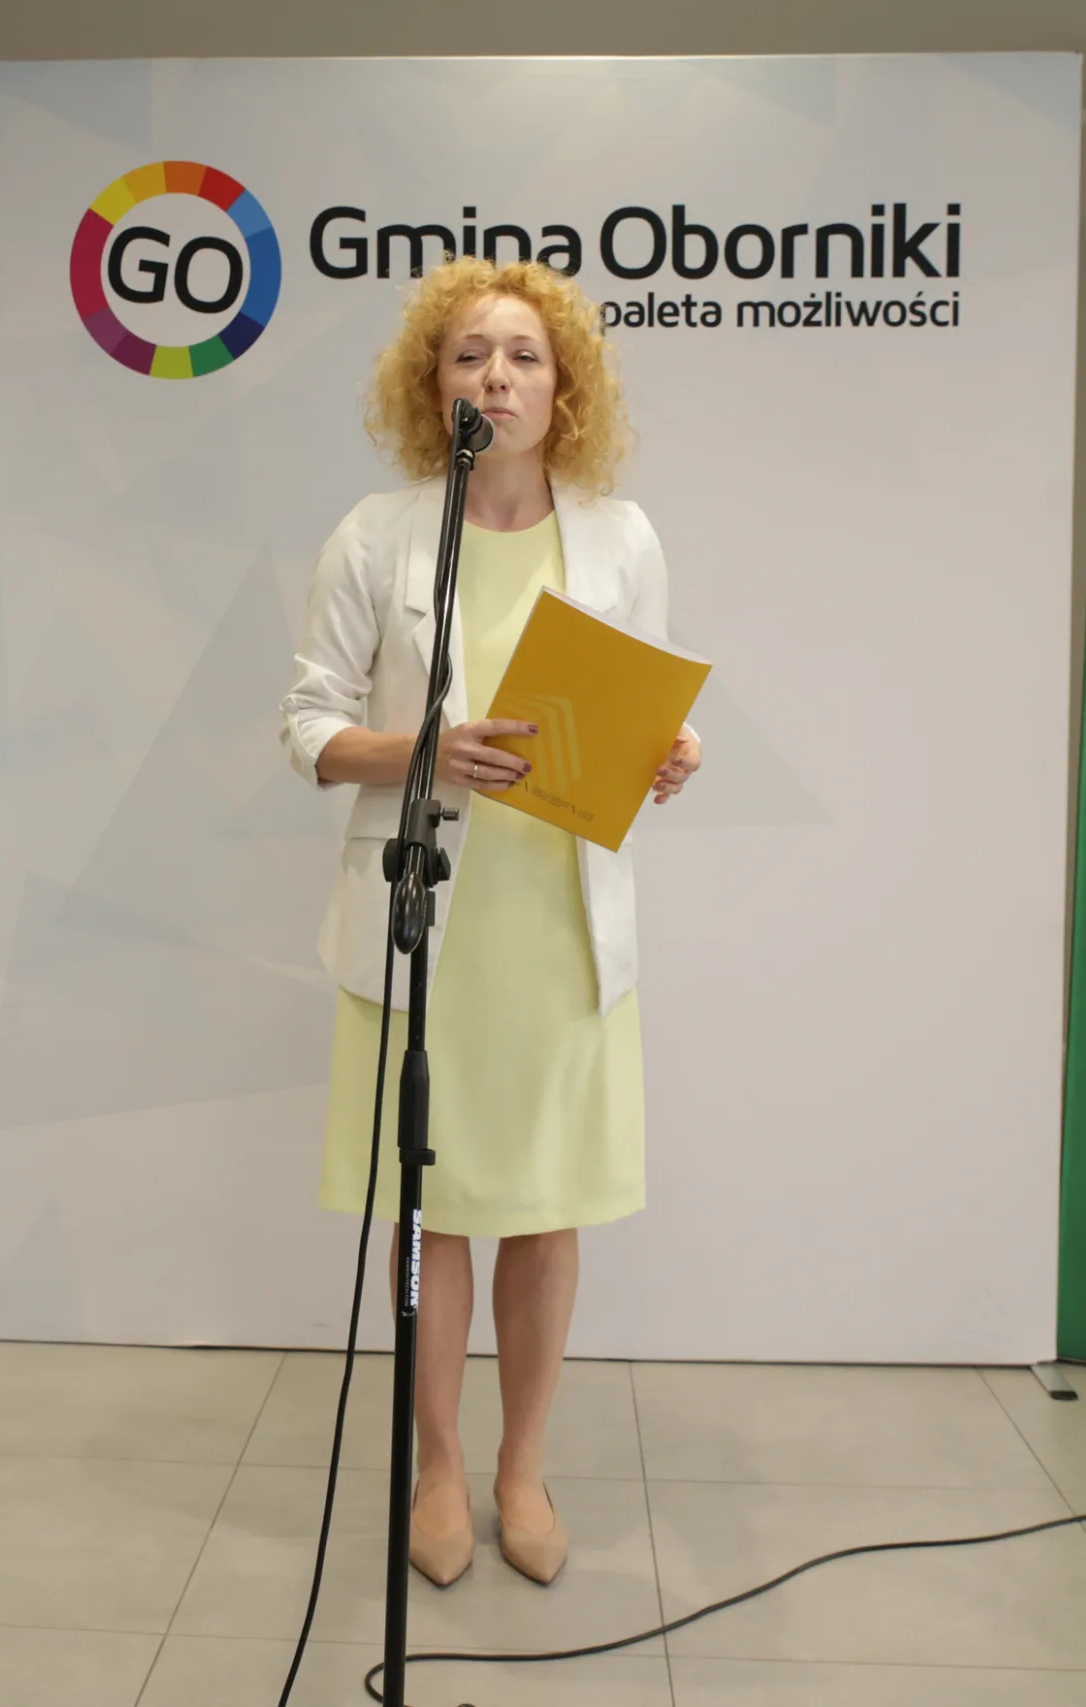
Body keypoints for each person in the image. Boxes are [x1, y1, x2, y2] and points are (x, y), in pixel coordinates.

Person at [278, 257, 701, 1588]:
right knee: (432, 1207)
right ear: (435, 385)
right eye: (470, 354)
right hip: (426, 921)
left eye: (523, 355)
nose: (496, 377)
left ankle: (523, 1467)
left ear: (564, 386)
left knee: (544, 1207)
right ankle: (441, 1469)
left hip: (559, 923)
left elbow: (637, 716)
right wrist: (425, 750)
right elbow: (308, 726)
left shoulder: (623, 538)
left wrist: (666, 755)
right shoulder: (379, 535)